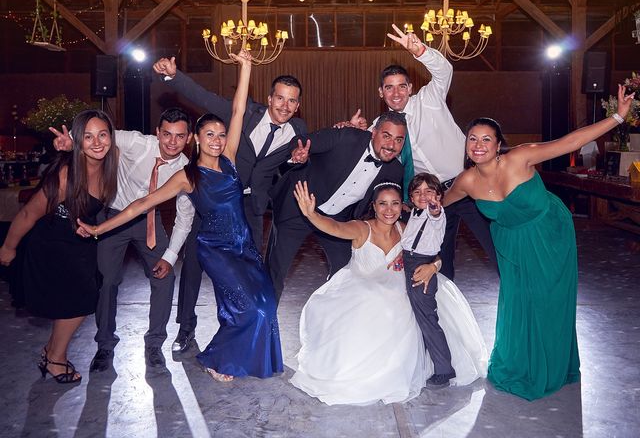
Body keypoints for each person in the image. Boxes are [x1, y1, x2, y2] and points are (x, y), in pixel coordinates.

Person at [79, 51, 283, 382]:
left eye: (220, 135)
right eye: (210, 135)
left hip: (244, 245)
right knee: (246, 306)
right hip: (215, 249)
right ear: (197, 140)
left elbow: (238, 110)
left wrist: (245, 67)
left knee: (267, 302)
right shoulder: (187, 176)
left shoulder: (230, 159)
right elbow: (138, 206)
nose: (217, 140)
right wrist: (100, 228)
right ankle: (216, 358)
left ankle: (245, 354)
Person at [443, 84, 634, 401]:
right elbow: (440, 203)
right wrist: (408, 207)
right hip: (511, 245)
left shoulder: (520, 158)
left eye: (486, 139)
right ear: (466, 147)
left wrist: (617, 116)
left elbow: (570, 141)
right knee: (517, 303)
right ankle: (519, 363)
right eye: (472, 139)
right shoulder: (466, 182)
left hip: (549, 234)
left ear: (499, 144)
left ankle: (555, 365)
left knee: (547, 300)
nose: (478, 145)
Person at [153, 56, 307, 353]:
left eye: (291, 101)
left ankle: (244, 330)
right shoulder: (246, 114)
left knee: (250, 271)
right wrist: (175, 76)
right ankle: (185, 329)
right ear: (269, 98)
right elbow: (203, 97)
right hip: (216, 200)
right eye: (279, 98)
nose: (284, 106)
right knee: (194, 265)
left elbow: (305, 153)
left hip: (252, 208)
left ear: (297, 105)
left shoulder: (298, 130)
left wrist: (347, 130)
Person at [289, 181, 487, 406]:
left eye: (394, 204)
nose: (389, 210)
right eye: (383, 204)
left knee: (412, 298)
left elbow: (433, 254)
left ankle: (428, 363)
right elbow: (334, 227)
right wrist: (312, 214)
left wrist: (434, 267)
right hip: (361, 282)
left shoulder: (407, 229)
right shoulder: (361, 228)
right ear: (373, 206)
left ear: (402, 205)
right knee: (375, 299)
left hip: (397, 285)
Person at [51, 107, 195, 371]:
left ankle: (154, 345)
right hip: (112, 218)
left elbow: (184, 218)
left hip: (148, 222)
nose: (172, 142)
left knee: (166, 277)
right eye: (166, 134)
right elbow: (98, 135)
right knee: (106, 281)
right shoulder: (136, 142)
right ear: (157, 133)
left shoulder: (186, 170)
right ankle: (105, 346)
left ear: (189, 138)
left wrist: (170, 256)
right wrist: (71, 140)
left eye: (179, 136)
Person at [0, 109, 118, 383]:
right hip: (51, 245)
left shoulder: (108, 165)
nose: (97, 142)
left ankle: (52, 352)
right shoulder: (67, 174)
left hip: (79, 241)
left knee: (82, 300)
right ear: (79, 141)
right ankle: (55, 359)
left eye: (102, 135)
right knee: (79, 302)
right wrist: (8, 247)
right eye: (87, 137)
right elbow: (29, 213)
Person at [375, 24, 496, 280]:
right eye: (389, 87)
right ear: (381, 92)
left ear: (410, 88)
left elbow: (444, 71)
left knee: (497, 246)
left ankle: (521, 298)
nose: (396, 93)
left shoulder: (429, 98)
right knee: (440, 260)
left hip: (470, 184)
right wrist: (351, 127)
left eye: (401, 86)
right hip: (436, 199)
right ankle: (443, 312)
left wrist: (420, 51)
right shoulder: (381, 127)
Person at [266, 111, 406, 301]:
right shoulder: (346, 137)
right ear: (373, 132)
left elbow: (392, 208)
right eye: (386, 136)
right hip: (298, 208)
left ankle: (332, 317)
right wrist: (298, 153)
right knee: (274, 272)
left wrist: (400, 248)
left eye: (399, 140)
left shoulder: (395, 170)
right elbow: (300, 141)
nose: (391, 145)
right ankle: (263, 325)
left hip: (337, 219)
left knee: (346, 272)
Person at [401, 173, 455, 389]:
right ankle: (424, 360)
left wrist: (435, 208)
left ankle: (444, 369)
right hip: (409, 262)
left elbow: (436, 214)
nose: (423, 196)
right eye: (417, 192)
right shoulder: (414, 214)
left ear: (438, 196)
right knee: (415, 316)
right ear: (411, 198)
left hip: (421, 266)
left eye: (429, 191)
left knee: (427, 320)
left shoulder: (436, 215)